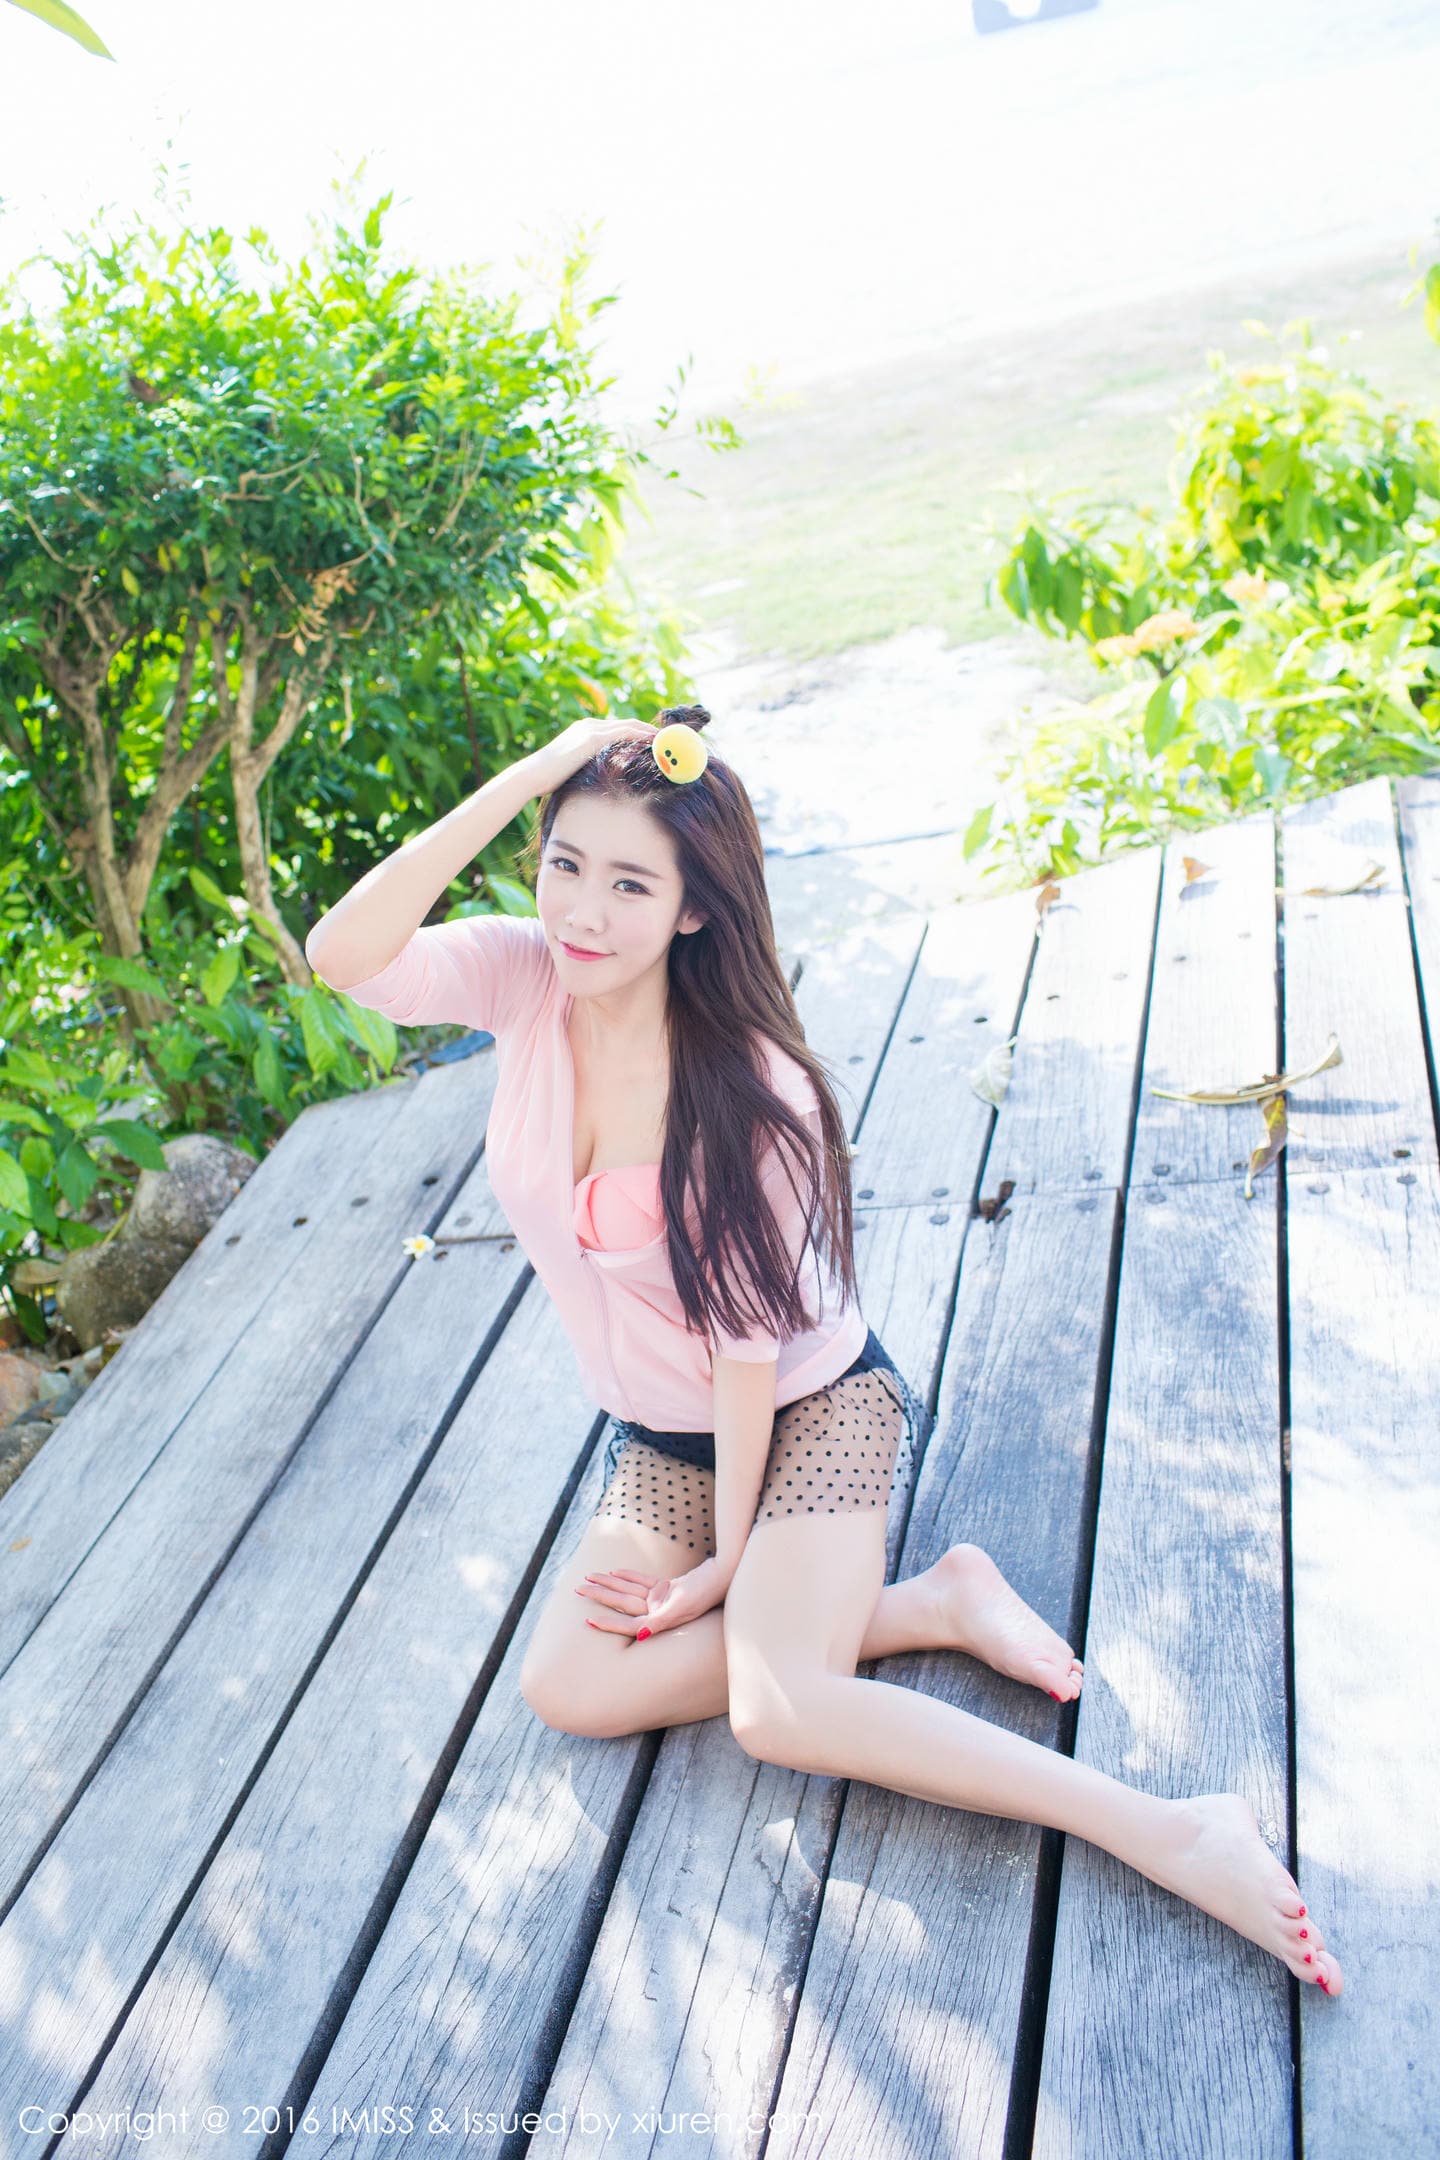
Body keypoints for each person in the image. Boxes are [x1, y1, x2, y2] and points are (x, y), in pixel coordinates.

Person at [305, 706, 1342, 2002]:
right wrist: (537, 768)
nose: (583, 910)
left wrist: (730, 1558)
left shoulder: (755, 1093)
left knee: (779, 1707)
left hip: (813, 1409)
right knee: (568, 1685)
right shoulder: (524, 979)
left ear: (695, 909)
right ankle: (927, 1604)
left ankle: (1174, 1829)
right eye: (564, 864)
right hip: (661, 1434)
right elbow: (344, 952)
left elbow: (751, 1358)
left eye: (630, 884)